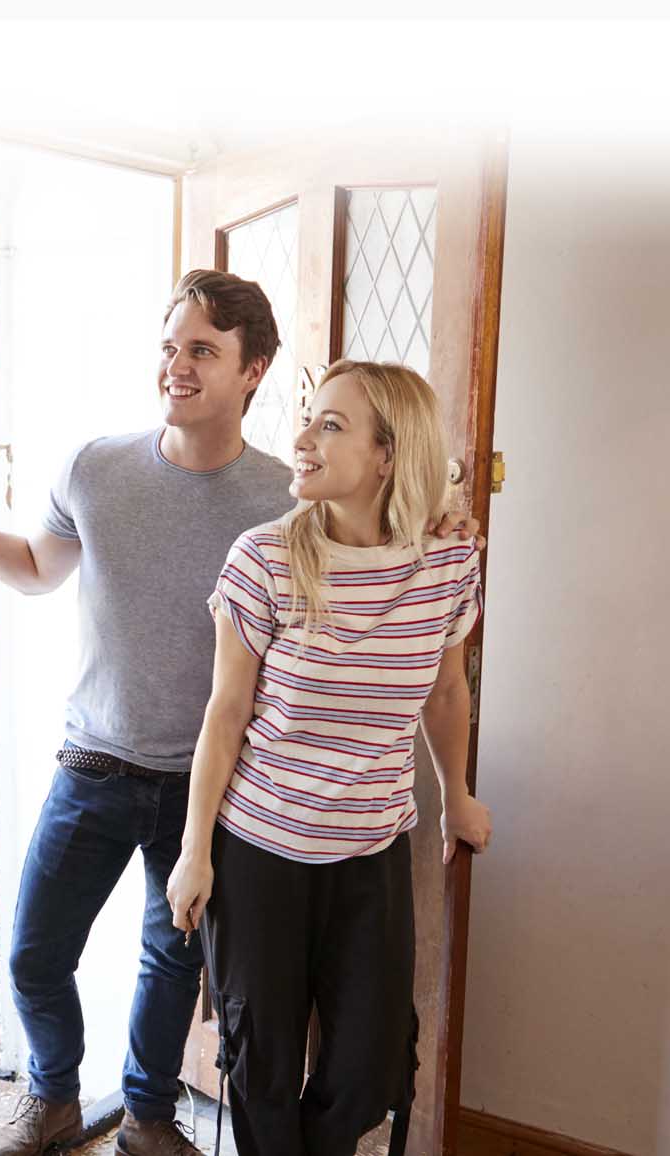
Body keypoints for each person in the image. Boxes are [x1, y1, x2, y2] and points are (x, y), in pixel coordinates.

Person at [0, 271, 474, 1156]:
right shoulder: (97, 469)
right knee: (36, 954)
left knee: (174, 968)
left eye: (201, 349)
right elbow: (35, 570)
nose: (177, 366)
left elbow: (392, 541)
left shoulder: (291, 495)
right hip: (101, 763)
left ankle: (148, 1120)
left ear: (253, 370)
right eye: (170, 346)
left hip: (221, 787)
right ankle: (51, 1095)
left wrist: (443, 507)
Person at [165, 360, 495, 1156]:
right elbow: (225, 714)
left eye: (329, 425)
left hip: (369, 850)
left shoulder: (446, 561)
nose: (301, 440)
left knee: (368, 1067)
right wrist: (194, 851)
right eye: (307, 418)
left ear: (388, 454)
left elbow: (445, 694)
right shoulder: (263, 560)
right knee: (262, 1065)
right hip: (258, 849)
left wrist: (456, 793)